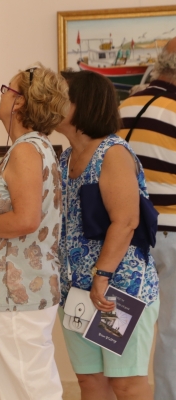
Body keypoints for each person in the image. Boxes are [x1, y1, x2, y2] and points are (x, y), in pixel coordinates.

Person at [0, 64, 69, 400]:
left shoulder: (25, 150)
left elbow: (26, 220)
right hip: (21, 292)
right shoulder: (34, 147)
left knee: (29, 390)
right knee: (19, 389)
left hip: (18, 293)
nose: (3, 94)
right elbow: (20, 207)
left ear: (20, 101)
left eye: (7, 89)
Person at [56, 70, 159, 400]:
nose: (52, 103)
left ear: (82, 104)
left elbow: (125, 221)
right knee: (90, 381)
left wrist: (101, 276)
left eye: (61, 97)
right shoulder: (65, 157)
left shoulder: (112, 153)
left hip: (116, 290)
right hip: (76, 291)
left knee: (126, 384)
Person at [117, 37, 176, 400]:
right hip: (171, 233)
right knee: (171, 331)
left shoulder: (124, 107)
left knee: (120, 330)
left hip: (124, 235)